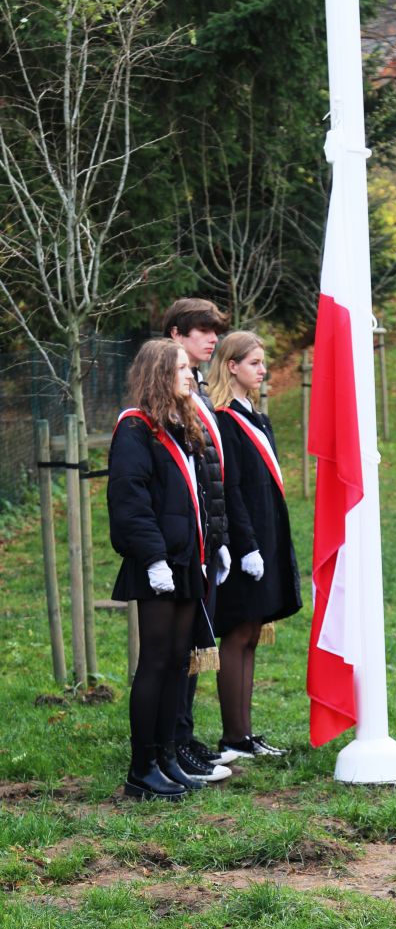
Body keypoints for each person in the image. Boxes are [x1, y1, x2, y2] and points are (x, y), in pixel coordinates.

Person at [107, 339, 232, 800]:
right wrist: (154, 557)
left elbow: (195, 497)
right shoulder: (135, 428)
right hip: (156, 563)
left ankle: (165, 757)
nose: (190, 374)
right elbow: (130, 500)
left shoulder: (180, 426)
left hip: (186, 562)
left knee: (178, 664)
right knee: (155, 664)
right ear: (159, 372)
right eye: (180, 367)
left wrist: (212, 546)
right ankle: (142, 769)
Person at [207, 331, 302, 758]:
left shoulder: (257, 416)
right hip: (246, 540)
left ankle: (245, 734)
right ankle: (232, 737)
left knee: (251, 633)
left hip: (267, 533)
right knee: (239, 630)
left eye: (263, 363)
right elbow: (232, 487)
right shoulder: (226, 418)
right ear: (232, 366)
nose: (263, 371)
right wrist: (245, 545)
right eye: (255, 364)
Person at [162, 298, 239, 780]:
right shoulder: (170, 392)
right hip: (184, 540)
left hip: (207, 535)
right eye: (201, 331)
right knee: (180, 647)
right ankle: (171, 741)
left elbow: (212, 472)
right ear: (175, 335)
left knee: (195, 646)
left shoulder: (201, 387)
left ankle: (184, 737)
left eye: (215, 332)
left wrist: (222, 535)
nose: (211, 339)